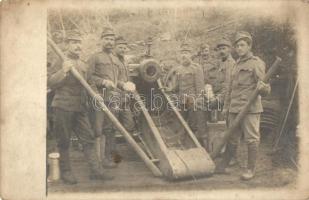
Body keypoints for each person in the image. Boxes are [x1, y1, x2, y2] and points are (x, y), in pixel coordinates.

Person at [47, 30, 113, 184]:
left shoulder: (84, 64)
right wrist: (63, 71)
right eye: (74, 42)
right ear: (67, 45)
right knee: (63, 141)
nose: (77, 46)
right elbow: (50, 82)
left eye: (79, 43)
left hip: (80, 108)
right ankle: (66, 172)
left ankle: (96, 171)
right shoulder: (60, 60)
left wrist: (96, 94)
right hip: (62, 106)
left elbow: (90, 83)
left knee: (88, 139)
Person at [216, 31, 271, 180]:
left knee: (251, 139)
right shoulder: (235, 64)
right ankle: (223, 166)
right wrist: (226, 107)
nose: (239, 48)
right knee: (232, 138)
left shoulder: (256, 63)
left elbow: (266, 88)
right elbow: (230, 89)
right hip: (234, 108)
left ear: (249, 46)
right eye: (237, 45)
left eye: (242, 45)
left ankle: (250, 169)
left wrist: (263, 88)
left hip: (250, 109)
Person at [88, 28, 136, 168]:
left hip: (113, 99)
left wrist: (125, 84)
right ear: (101, 40)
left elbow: (118, 81)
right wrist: (102, 82)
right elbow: (88, 77)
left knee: (110, 129)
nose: (109, 42)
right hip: (99, 99)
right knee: (98, 129)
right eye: (106, 39)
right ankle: (97, 161)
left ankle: (108, 158)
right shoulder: (95, 57)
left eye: (111, 40)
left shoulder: (116, 60)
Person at [167, 42, 207, 147]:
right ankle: (183, 144)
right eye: (182, 53)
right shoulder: (179, 69)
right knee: (182, 123)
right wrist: (168, 89)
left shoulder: (196, 68)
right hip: (182, 100)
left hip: (192, 101)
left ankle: (198, 145)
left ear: (191, 54)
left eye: (186, 52)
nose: (184, 55)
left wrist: (199, 101)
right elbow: (177, 86)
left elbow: (200, 87)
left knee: (194, 125)